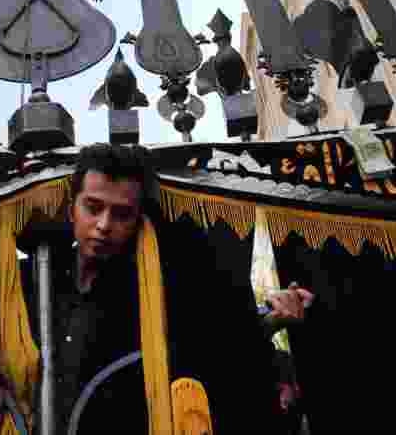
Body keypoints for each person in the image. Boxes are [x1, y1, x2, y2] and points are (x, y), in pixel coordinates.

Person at [17, 143, 313, 434]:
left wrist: (270, 321)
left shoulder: (157, 292)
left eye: (121, 214)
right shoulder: (32, 284)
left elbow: (219, 347)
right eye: (93, 208)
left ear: (137, 221)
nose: (104, 225)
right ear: (72, 211)